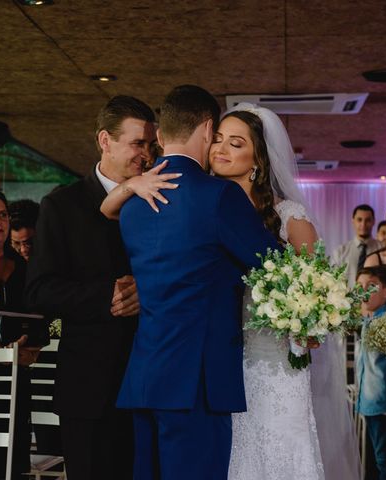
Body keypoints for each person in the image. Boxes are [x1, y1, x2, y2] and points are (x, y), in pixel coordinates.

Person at [102, 99, 360, 479]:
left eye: (236, 143)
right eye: (219, 139)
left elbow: (307, 285)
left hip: (229, 366)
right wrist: (130, 186)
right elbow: (269, 265)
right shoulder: (207, 198)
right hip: (207, 373)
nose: (221, 149)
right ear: (206, 132)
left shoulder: (148, 201)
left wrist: (310, 318)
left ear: (258, 157)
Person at [98, 85, 276, 479]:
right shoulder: (219, 196)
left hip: (146, 377)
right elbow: (274, 265)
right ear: (208, 128)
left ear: (160, 136)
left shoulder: (132, 207)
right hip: (198, 381)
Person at [25, 95, 156, 480]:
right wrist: (106, 296)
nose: (146, 154)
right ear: (105, 140)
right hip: (88, 387)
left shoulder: (161, 200)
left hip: (149, 378)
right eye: (137, 143)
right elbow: (39, 291)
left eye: (150, 145)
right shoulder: (62, 205)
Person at [0, 188, 42, 480]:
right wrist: (0, 354)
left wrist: (31, 350)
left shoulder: (26, 267)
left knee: (12, 462)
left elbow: (38, 317)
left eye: (1, 215)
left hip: (16, 374)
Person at [356, 266, 386, 480]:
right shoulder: (369, 320)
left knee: (384, 461)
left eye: (371, 286)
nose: (364, 291)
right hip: (369, 402)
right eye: (360, 286)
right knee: (374, 460)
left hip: (382, 404)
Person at [333, 205, 382, 287]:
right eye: (359, 220)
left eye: (368, 220)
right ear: (353, 221)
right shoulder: (340, 251)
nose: (363, 224)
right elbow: (334, 281)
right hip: (346, 298)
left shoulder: (382, 249)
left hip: (375, 298)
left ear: (374, 221)